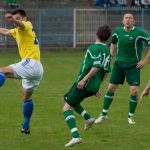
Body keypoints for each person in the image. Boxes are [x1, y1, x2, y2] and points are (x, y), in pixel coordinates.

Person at [95, 13, 150, 125]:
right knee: (110, 88)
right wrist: (110, 57)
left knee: (134, 91)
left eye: (130, 18)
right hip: (119, 65)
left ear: (134, 21)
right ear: (122, 21)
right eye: (126, 18)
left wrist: (144, 61)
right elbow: (113, 44)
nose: (128, 20)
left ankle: (130, 117)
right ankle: (104, 115)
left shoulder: (140, 33)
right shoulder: (117, 32)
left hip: (133, 66)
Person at [63, 25, 112, 147]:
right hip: (93, 86)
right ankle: (88, 118)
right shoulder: (108, 51)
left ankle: (76, 137)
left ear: (96, 34)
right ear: (108, 38)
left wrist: (84, 80)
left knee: (67, 108)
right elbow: (106, 71)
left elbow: (96, 66)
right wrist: (97, 87)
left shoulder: (93, 48)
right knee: (68, 98)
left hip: (84, 83)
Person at [0, 9, 43, 134]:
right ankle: (26, 125)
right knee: (26, 97)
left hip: (31, 63)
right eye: (14, 19)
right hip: (37, 69)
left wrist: (14, 20)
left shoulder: (27, 25)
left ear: (24, 18)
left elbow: (22, 25)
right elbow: (6, 31)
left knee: (2, 71)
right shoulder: (17, 31)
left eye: (18, 18)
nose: (15, 21)